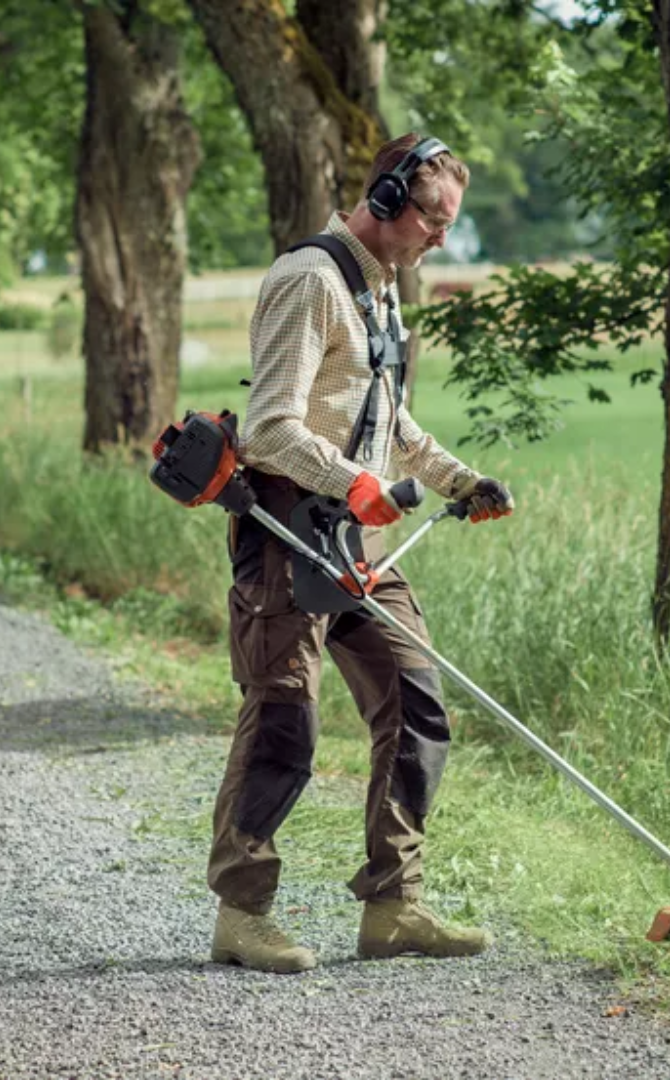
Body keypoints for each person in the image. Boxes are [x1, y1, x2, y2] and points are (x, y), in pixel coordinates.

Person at [207, 133, 515, 973]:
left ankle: (394, 906)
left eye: (449, 224)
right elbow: (271, 425)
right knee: (284, 719)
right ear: (384, 200)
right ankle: (242, 912)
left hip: (358, 537)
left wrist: (458, 480)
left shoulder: (381, 290)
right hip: (285, 533)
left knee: (416, 702)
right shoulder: (308, 281)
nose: (441, 240)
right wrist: (352, 483)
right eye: (432, 219)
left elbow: (392, 422)